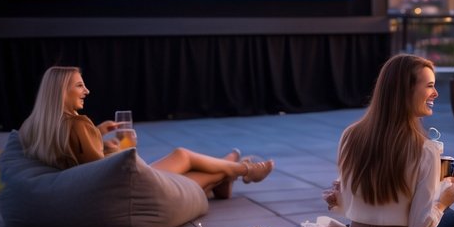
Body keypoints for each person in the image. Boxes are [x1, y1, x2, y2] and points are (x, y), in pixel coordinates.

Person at [18, 66, 272, 199]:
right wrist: (119, 149)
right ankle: (243, 171)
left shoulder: (36, 125)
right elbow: (101, 173)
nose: (87, 91)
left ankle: (224, 175)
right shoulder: (76, 123)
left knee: (186, 178)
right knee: (182, 155)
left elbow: (74, 156)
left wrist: (96, 133)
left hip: (100, 188)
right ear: (61, 91)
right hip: (119, 188)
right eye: (79, 85)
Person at [323, 54, 454, 227]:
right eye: (429, 85)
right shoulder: (425, 150)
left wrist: (340, 196)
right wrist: (443, 200)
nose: (436, 93)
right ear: (405, 91)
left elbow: (349, 206)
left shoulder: (349, 136)